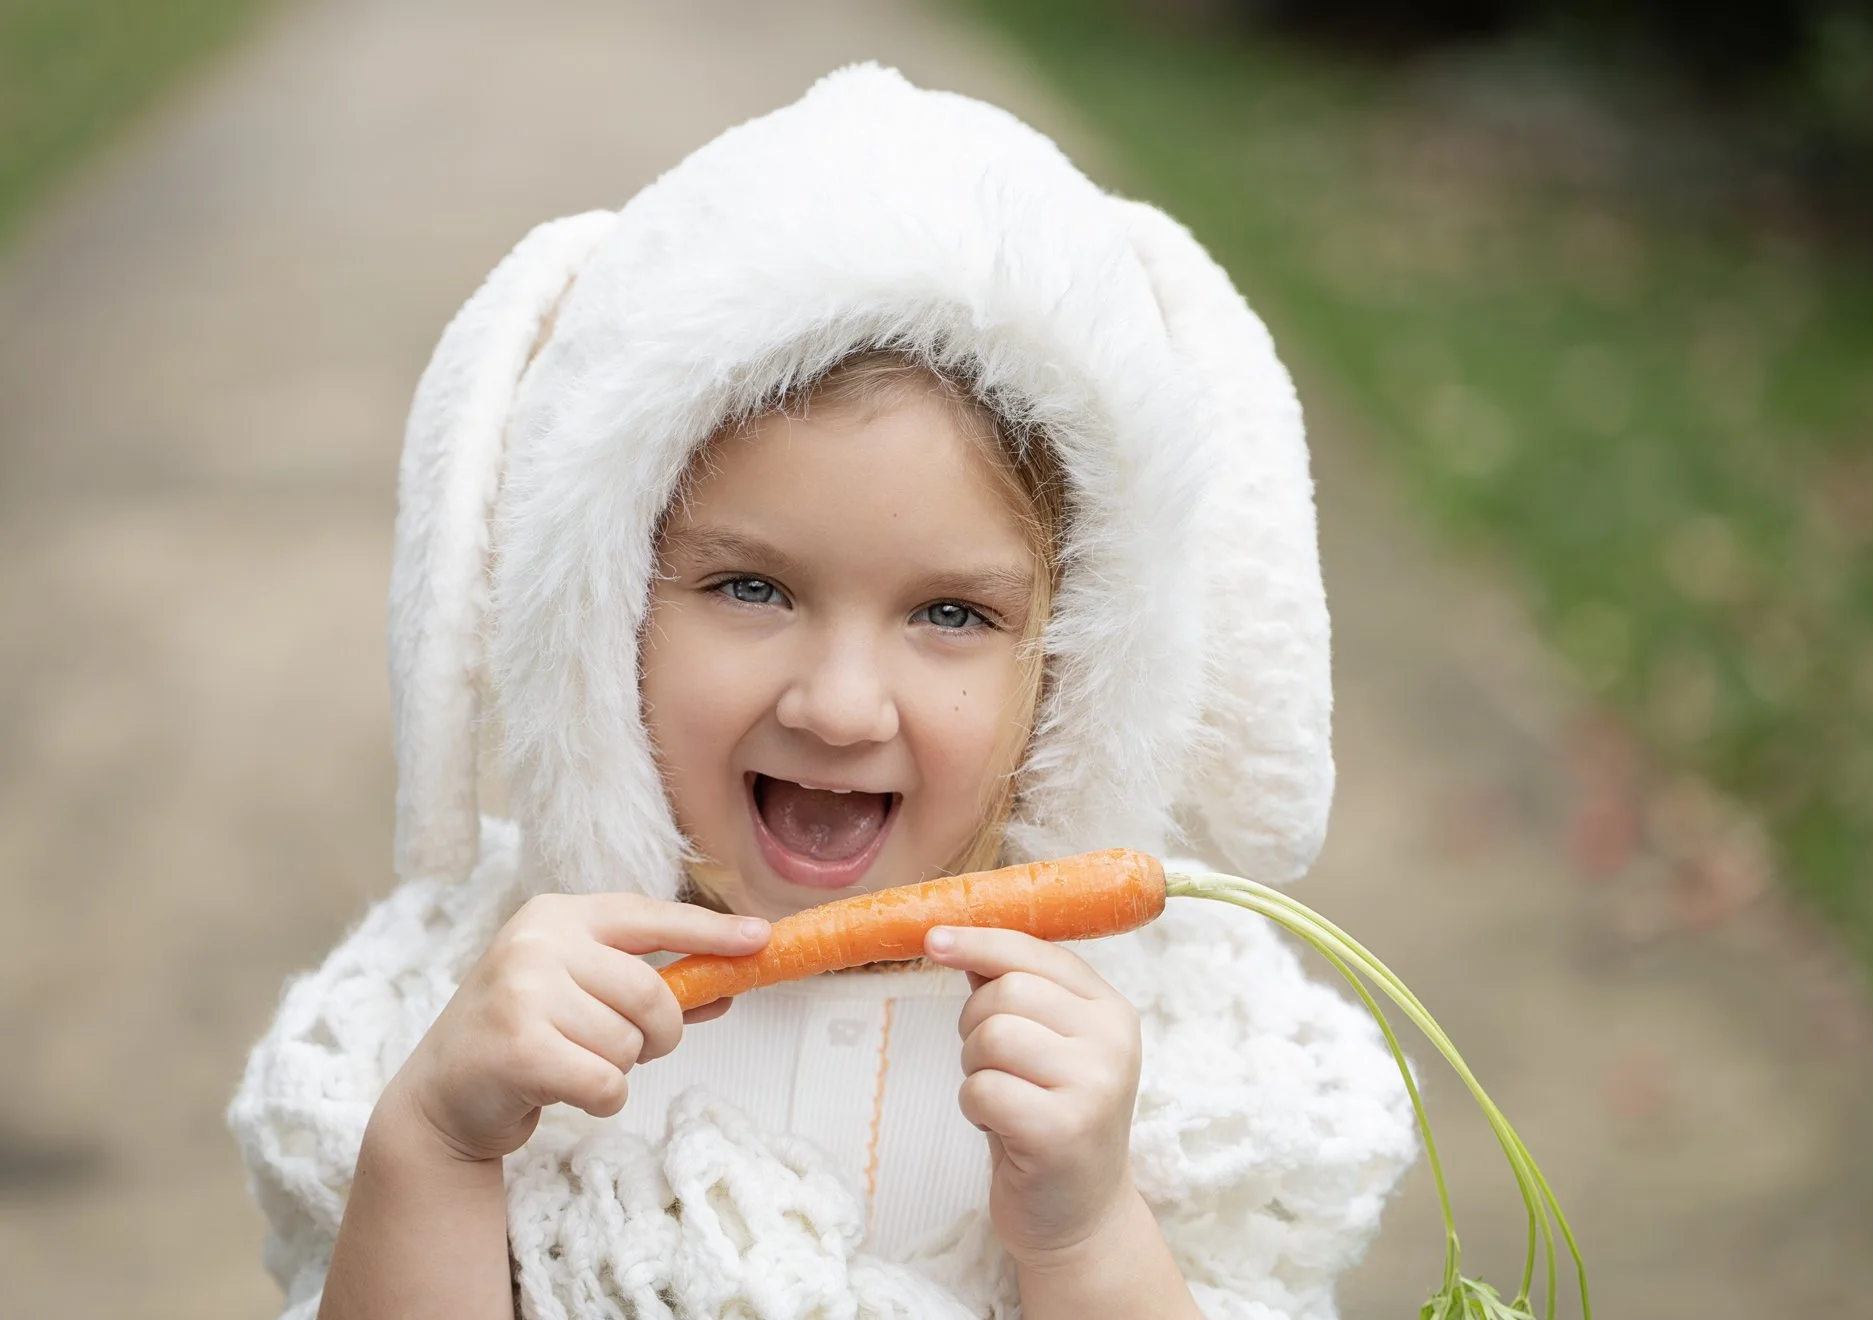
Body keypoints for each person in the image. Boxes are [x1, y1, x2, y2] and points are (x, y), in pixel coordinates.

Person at [230, 65, 1417, 1320]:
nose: (841, 708)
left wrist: (1085, 1233)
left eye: (951, 615)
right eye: (751, 588)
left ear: (1079, 667)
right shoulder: (473, 1002)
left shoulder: (1167, 1042)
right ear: (595, 613)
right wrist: (435, 1145)